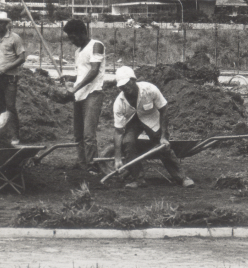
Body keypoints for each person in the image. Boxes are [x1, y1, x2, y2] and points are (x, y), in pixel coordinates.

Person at [111, 66, 194, 188]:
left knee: (162, 146)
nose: (125, 88)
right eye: (122, 86)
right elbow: (118, 131)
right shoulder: (119, 103)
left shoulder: (149, 89)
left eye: (127, 84)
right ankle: (138, 179)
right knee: (128, 143)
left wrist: (164, 136)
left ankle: (182, 178)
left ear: (134, 80)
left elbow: (164, 109)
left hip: (151, 118)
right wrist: (117, 158)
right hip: (132, 122)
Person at [63, 19, 105, 175]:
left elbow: (94, 71)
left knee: (88, 134)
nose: (72, 41)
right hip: (80, 95)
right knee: (78, 134)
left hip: (93, 93)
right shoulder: (78, 52)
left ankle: (93, 166)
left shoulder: (96, 46)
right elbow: (81, 74)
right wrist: (70, 78)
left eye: (73, 37)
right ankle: (82, 164)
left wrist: (74, 89)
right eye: (70, 38)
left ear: (82, 33)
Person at [0, 11, 26, 144]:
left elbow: (21, 58)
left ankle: (14, 136)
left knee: (10, 107)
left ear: (7, 24)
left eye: (1, 22)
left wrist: (6, 67)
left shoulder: (15, 38)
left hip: (10, 78)